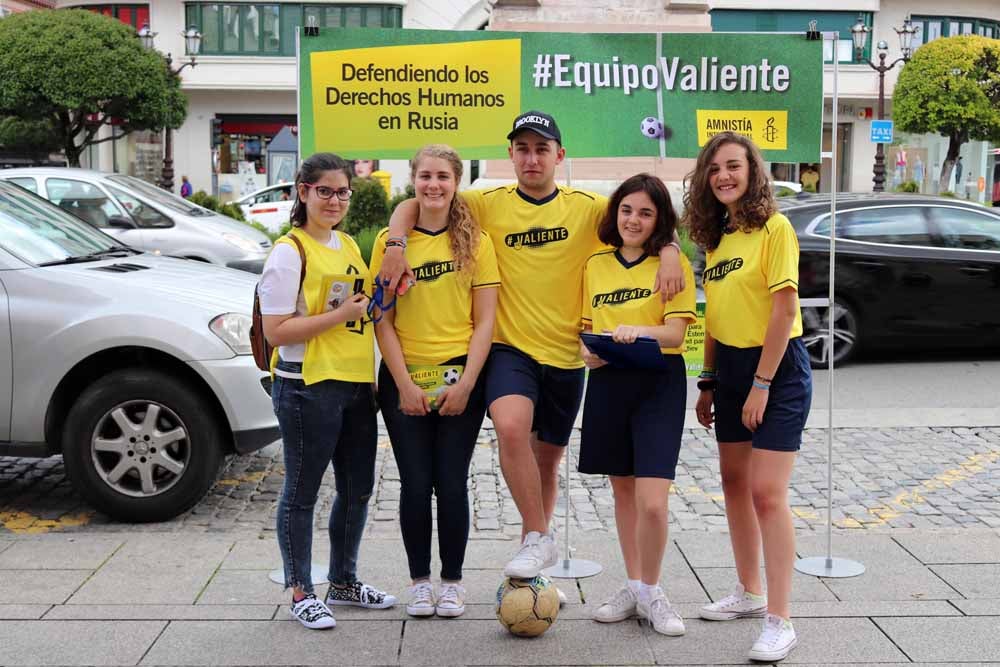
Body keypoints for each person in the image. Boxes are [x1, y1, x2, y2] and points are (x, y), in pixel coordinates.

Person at [378, 111, 686, 589]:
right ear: (511, 156)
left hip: (566, 356)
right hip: (510, 350)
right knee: (510, 427)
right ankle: (540, 535)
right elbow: (421, 202)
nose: (531, 157)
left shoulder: (586, 208)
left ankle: (533, 558)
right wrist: (396, 244)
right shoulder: (485, 203)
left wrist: (669, 249)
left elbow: (641, 217)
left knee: (545, 464)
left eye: (542, 149)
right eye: (522, 148)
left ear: (560, 156)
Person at [684, 132, 812, 662]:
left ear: (752, 171)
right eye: (714, 169)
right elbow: (713, 315)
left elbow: (783, 311)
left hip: (776, 369)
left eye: (733, 166)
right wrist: (710, 380)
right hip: (731, 368)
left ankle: (780, 619)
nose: (723, 176)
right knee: (734, 483)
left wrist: (760, 384)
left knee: (766, 492)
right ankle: (749, 592)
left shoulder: (774, 228)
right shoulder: (715, 239)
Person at [258, 152, 396, 630]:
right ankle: (300, 590)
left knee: (358, 489)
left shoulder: (347, 246)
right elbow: (276, 331)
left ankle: (343, 581)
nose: (334, 200)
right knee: (302, 492)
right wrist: (341, 315)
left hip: (355, 383)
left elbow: (363, 309)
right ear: (303, 192)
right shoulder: (288, 251)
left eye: (342, 192)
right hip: (306, 387)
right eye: (324, 191)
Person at [370, 145, 500, 618]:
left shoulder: (476, 242)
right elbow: (382, 320)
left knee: (451, 482)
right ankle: (419, 582)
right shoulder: (391, 242)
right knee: (414, 482)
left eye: (443, 177)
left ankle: (452, 582)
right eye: (425, 176)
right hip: (404, 377)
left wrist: (467, 383)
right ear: (413, 180)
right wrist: (403, 384)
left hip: (460, 377)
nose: (434, 185)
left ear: (456, 181)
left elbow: (485, 321)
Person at [578, 174, 696, 636]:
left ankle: (653, 590)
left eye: (646, 212)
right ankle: (633, 586)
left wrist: (635, 329)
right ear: (615, 213)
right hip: (608, 383)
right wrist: (589, 350)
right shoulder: (594, 264)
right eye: (627, 209)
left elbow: (676, 335)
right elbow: (586, 330)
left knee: (652, 501)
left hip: (658, 385)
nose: (634, 219)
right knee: (623, 494)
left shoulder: (673, 264)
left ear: (659, 219)